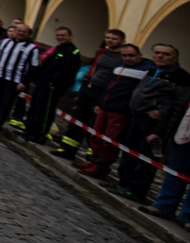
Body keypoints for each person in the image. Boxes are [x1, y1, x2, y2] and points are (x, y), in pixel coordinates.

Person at [110, 44, 187, 201]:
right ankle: (123, 183)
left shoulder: (181, 77)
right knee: (129, 151)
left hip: (154, 123)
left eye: (165, 54)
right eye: (157, 53)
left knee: (145, 157)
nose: (159, 56)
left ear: (175, 58)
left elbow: (178, 103)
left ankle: (137, 190)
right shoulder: (152, 70)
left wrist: (162, 114)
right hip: (137, 116)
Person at [75, 43, 149, 180]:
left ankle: (101, 167)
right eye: (124, 55)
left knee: (110, 141)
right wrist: (100, 102)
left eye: (131, 55)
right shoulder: (119, 68)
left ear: (140, 55)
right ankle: (93, 161)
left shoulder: (146, 70)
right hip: (105, 107)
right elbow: (109, 87)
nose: (127, 58)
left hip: (120, 111)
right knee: (95, 136)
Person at [54, 28, 126, 160]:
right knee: (77, 121)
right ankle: (67, 149)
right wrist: (83, 90)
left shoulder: (123, 57)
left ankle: (91, 156)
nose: (110, 40)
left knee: (94, 125)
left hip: (103, 93)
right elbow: (94, 70)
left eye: (114, 38)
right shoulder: (101, 52)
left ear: (122, 41)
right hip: (89, 88)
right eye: (108, 37)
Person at [141, 52, 190, 226]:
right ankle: (164, 206)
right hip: (182, 134)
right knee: (175, 172)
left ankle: (187, 217)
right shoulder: (187, 88)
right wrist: (160, 132)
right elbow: (173, 110)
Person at [0, 20, 39, 133]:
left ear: (28, 34)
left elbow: (33, 67)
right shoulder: (4, 42)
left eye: (24, 32)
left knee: (5, 103)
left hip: (14, 80)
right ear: (14, 31)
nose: (21, 33)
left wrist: (24, 82)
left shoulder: (32, 48)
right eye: (19, 31)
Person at [22, 27, 79, 143]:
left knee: (44, 111)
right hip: (42, 83)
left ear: (70, 36)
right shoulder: (57, 48)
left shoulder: (73, 52)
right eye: (58, 35)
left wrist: (54, 84)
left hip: (52, 86)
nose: (60, 37)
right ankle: (29, 130)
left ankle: (39, 134)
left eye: (63, 35)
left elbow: (66, 72)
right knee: (34, 107)